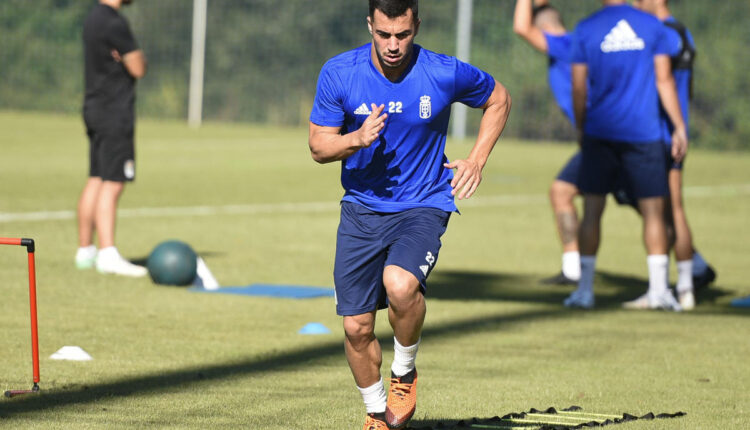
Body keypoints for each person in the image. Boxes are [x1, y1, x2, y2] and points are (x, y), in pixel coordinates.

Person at [308, 1, 511, 428]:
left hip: (424, 203)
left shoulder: (443, 71)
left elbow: (499, 99)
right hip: (361, 209)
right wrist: (356, 139)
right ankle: (377, 413)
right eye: (384, 34)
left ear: (416, 25)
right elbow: (318, 147)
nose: (394, 45)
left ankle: (403, 372)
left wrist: (477, 158)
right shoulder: (340, 73)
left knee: (400, 285)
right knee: (356, 329)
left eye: (402, 34)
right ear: (370, 25)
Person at [564, 0, 687, 310]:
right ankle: (659, 291)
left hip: (599, 132)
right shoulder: (652, 26)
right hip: (644, 134)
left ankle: (585, 291)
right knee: (653, 212)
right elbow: (665, 80)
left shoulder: (586, 28)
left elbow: (578, 87)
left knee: (592, 209)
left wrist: (581, 127)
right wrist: (679, 127)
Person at [629, 0, 716, 309]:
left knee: (657, 211)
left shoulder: (657, 33)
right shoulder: (684, 32)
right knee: (674, 210)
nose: (636, 5)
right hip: (678, 132)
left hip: (657, 133)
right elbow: (686, 87)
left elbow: (657, 83)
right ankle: (686, 289)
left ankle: (661, 289)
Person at [75, 0, 147, 277]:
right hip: (114, 111)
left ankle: (85, 250)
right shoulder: (115, 22)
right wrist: (137, 59)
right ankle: (107, 253)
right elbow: (138, 67)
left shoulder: (93, 17)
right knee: (114, 182)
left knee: (97, 177)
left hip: (93, 107)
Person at [513, 0, 581, 285]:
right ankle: (574, 269)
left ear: (548, 28)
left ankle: (576, 271)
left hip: (604, 140)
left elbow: (521, 27)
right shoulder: (577, 44)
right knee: (562, 193)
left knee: (652, 206)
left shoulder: (564, 45)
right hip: (604, 139)